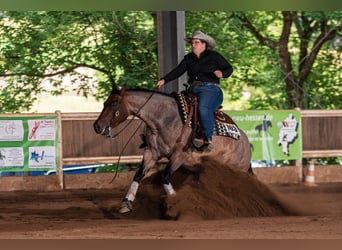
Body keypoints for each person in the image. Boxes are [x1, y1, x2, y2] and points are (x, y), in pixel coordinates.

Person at [156, 30, 233, 152]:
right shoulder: (188, 59)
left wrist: (222, 73)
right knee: (174, 104)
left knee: (203, 108)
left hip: (210, 89)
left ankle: (207, 139)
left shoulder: (214, 56)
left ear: (204, 44)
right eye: (192, 43)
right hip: (192, 89)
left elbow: (229, 68)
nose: (193, 45)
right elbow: (178, 70)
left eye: (196, 42)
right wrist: (164, 79)